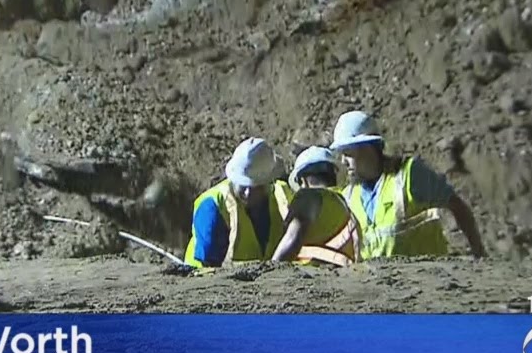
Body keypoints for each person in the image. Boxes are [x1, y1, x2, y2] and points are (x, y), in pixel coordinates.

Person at [330, 110, 485, 259]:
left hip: (429, 282)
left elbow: (457, 206)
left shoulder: (408, 176)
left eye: (348, 154)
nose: (343, 162)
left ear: (367, 148)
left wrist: (478, 252)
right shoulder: (349, 198)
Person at [184, 137, 293, 269]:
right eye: (242, 185)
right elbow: (208, 267)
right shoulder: (213, 207)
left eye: (255, 187)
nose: (247, 193)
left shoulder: (281, 197)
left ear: (269, 183)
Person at [271, 146, 359, 267]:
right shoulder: (345, 203)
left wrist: (270, 270)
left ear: (303, 181)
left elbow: (292, 238)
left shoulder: (309, 197)